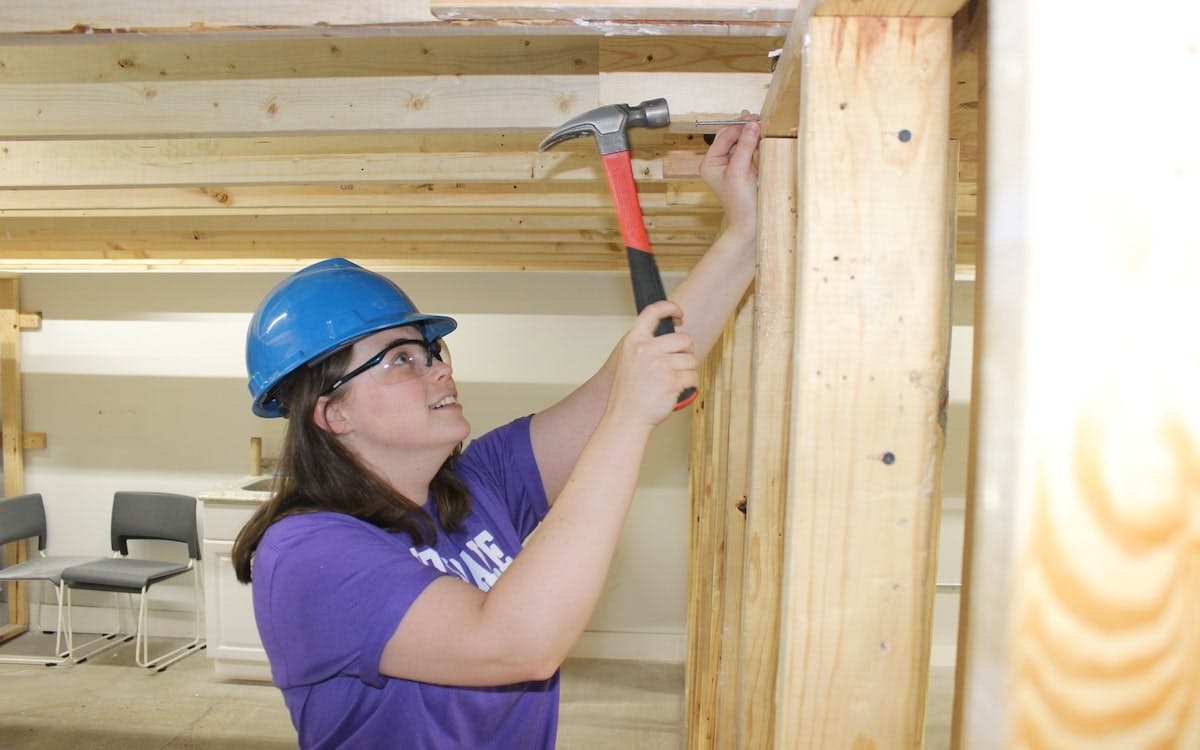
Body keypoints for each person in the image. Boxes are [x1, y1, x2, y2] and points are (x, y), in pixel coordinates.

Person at [231, 116, 761, 749]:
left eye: (432, 352)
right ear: (331, 413)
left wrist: (745, 236)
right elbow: (513, 645)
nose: (437, 370)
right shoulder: (307, 555)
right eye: (400, 359)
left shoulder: (476, 483)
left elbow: (621, 383)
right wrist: (629, 418)